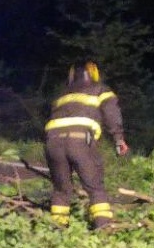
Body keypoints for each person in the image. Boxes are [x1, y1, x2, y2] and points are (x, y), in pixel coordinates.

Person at [44, 61, 129, 229]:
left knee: (61, 190)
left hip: (53, 143)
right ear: (94, 73)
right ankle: (103, 229)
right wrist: (119, 140)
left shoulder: (62, 96)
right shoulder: (101, 91)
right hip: (79, 141)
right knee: (95, 187)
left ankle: (56, 230)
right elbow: (112, 115)